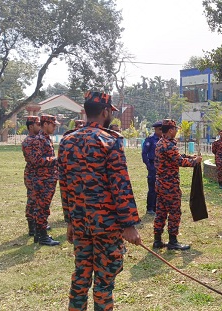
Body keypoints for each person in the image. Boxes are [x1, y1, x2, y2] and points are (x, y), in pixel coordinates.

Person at [58, 91, 141, 310]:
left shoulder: (67, 141)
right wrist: (129, 225)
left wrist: (69, 221)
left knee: (81, 275)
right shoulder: (109, 141)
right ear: (105, 111)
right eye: (110, 111)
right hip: (106, 225)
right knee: (104, 281)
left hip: (80, 222)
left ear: (86, 111)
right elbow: (120, 186)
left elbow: (64, 186)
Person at [153, 119, 201, 250]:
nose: (177, 131)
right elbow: (180, 161)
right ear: (170, 130)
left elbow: (176, 156)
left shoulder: (160, 143)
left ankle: (157, 240)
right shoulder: (168, 145)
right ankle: (173, 241)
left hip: (160, 184)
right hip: (170, 186)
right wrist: (195, 162)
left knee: (161, 212)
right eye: (175, 129)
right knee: (174, 212)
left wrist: (190, 156)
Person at [30, 114, 60, 246]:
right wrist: (55, 160)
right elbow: (36, 160)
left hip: (48, 178)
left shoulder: (46, 139)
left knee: (42, 207)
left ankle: (39, 233)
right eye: (53, 125)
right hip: (43, 180)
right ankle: (42, 237)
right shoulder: (39, 140)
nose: (55, 127)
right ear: (46, 124)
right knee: (42, 208)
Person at [21, 116, 41, 236]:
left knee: (38, 201)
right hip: (32, 175)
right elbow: (34, 160)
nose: (40, 126)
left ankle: (39, 223)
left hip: (38, 175)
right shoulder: (28, 141)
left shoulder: (38, 139)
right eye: (38, 124)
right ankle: (32, 227)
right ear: (31, 126)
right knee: (32, 200)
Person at [142, 120, 162, 215]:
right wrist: (149, 166)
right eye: (160, 129)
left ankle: (157, 207)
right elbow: (144, 153)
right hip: (153, 165)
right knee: (152, 187)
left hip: (162, 166)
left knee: (160, 187)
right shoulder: (150, 139)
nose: (162, 132)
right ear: (156, 129)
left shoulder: (164, 140)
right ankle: (150, 208)